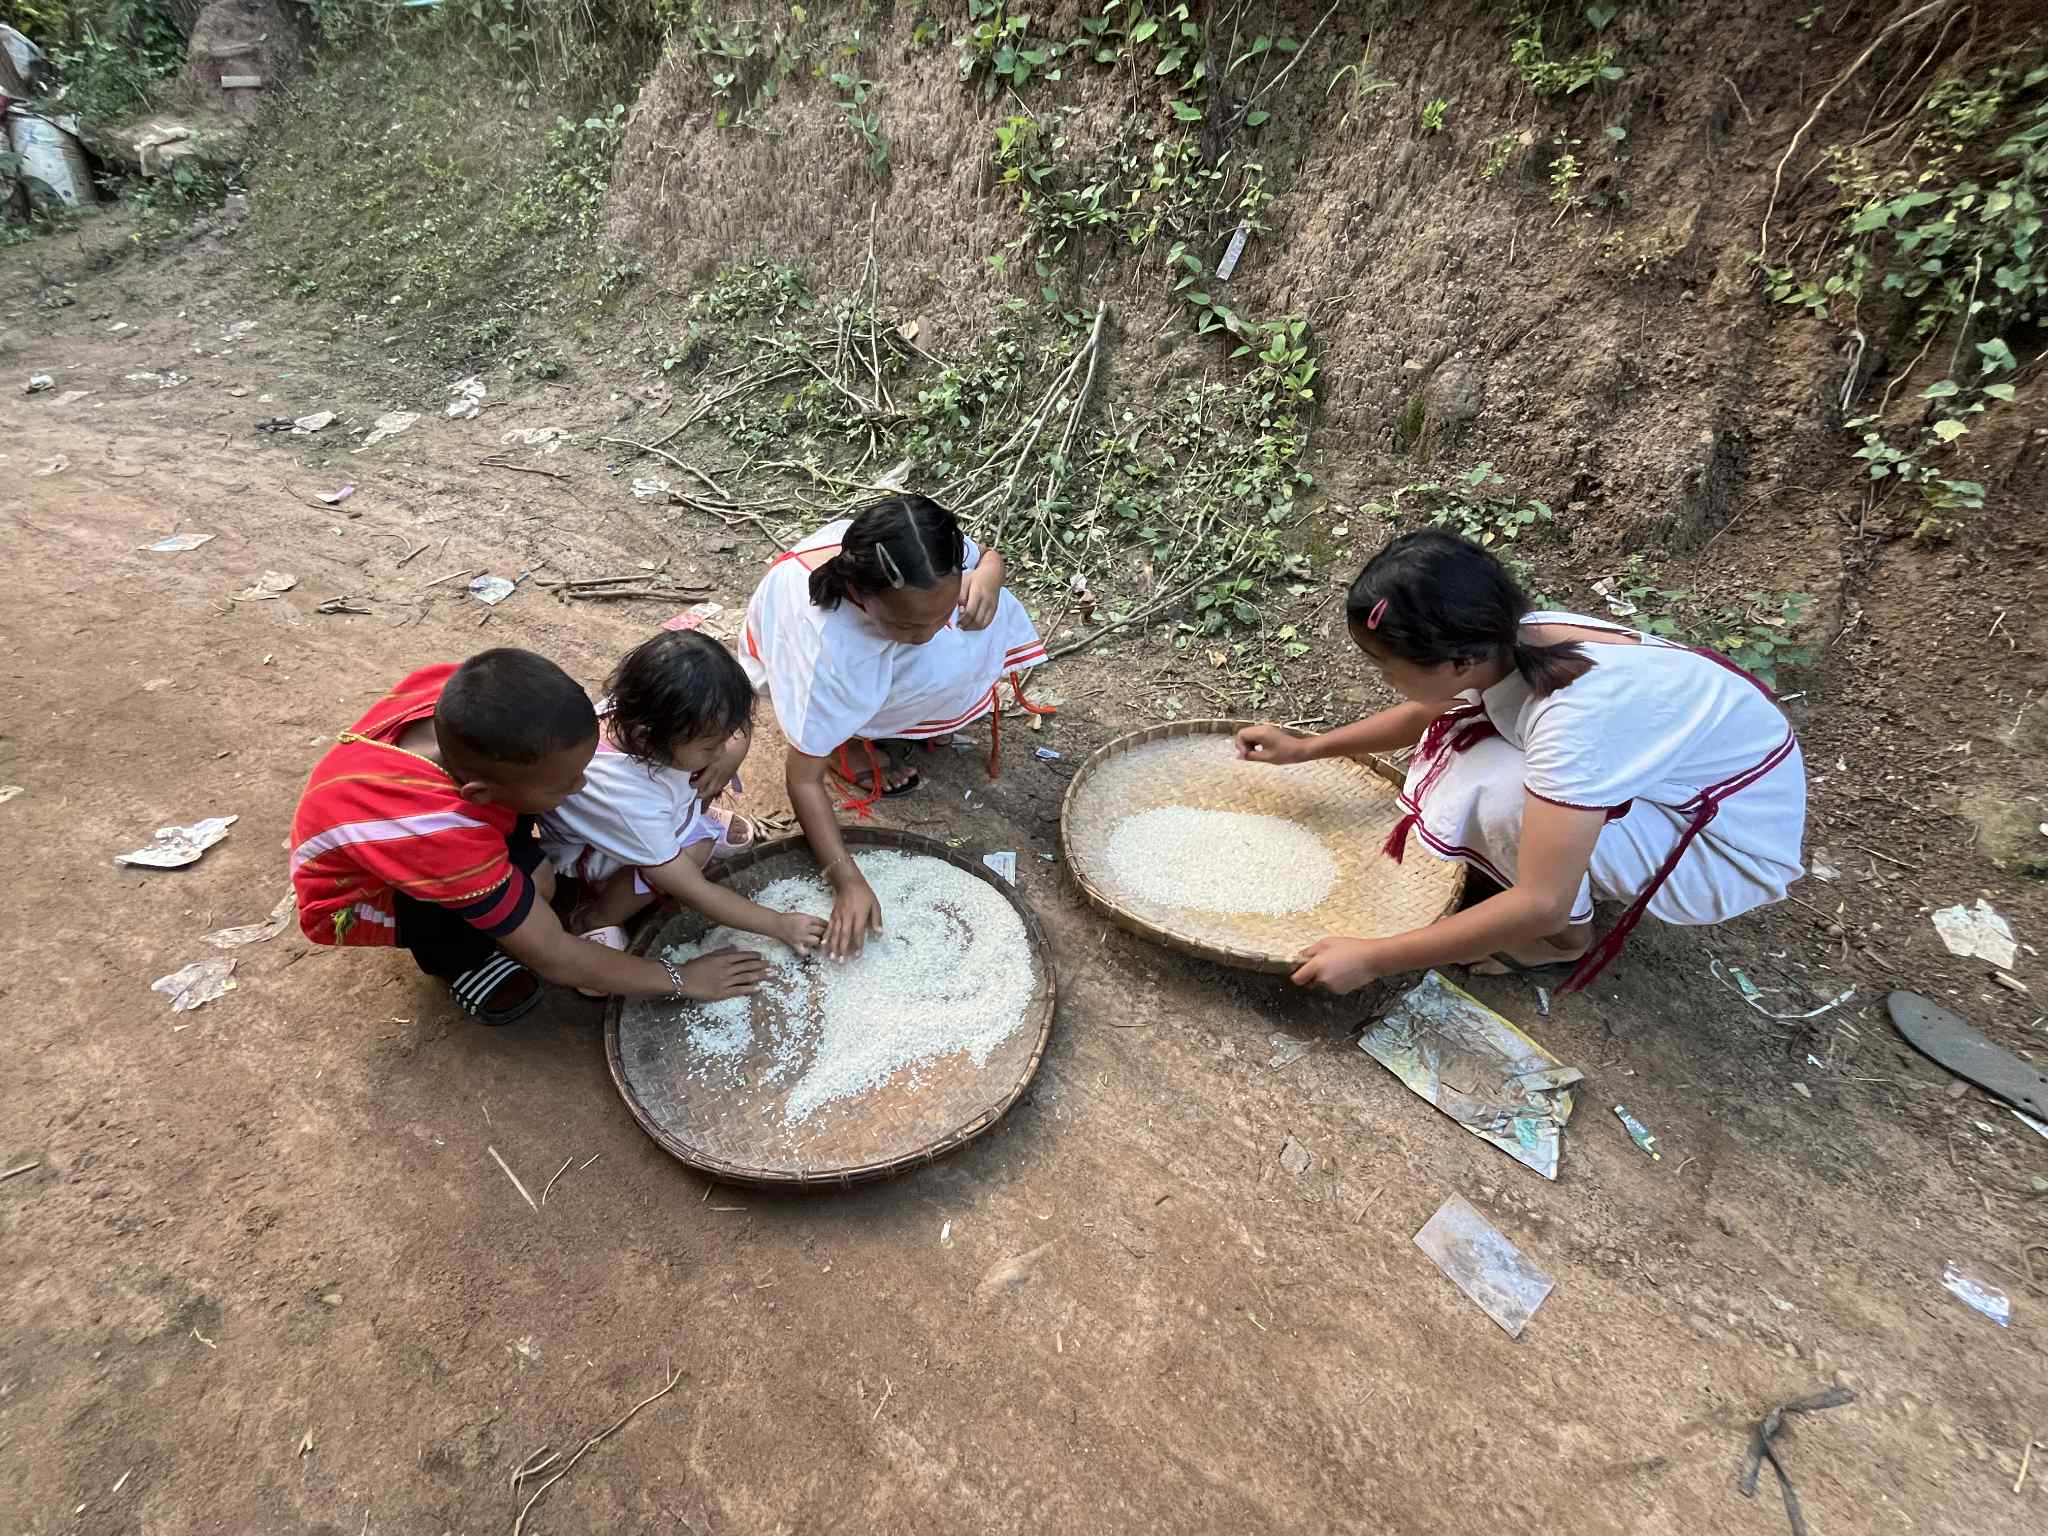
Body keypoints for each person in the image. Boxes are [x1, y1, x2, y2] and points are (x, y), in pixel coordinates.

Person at [1235, 530, 1806, 996]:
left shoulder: (1574, 722)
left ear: (1458, 661)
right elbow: (1425, 710)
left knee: (1502, 795)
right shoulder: (1510, 639)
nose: (1381, 677)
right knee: (1473, 752)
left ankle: (1560, 944)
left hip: (1723, 848)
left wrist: (1375, 958)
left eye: (1385, 664)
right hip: (1679, 789)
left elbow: (1540, 901)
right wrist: (1306, 747)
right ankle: (1536, 874)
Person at [289, 649, 768, 1025]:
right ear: (483, 793)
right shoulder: (441, 838)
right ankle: (460, 962)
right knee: (499, 912)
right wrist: (683, 978)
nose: (582, 787)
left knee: (538, 883)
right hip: (369, 894)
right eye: (567, 782)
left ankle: (509, 891)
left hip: (446, 823)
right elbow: (556, 956)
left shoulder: (464, 696)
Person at [738, 494, 1049, 959]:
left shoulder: (923, 552)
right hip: (810, 655)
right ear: (862, 594)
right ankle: (848, 740)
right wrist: (845, 877)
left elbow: (983, 556)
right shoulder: (829, 650)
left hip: (878, 628)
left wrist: (987, 575)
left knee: (971, 629)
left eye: (940, 616)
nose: (929, 634)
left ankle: (901, 713)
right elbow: (803, 778)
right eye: (908, 627)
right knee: (928, 665)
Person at [539, 631, 827, 969]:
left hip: (648, 810)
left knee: (701, 776)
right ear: (648, 738)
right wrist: (779, 924)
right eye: (710, 746)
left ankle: (687, 818)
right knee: (695, 852)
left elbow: (734, 732)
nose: (721, 750)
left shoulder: (640, 713)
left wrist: (724, 756)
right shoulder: (623, 799)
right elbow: (692, 889)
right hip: (593, 853)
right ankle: (593, 918)